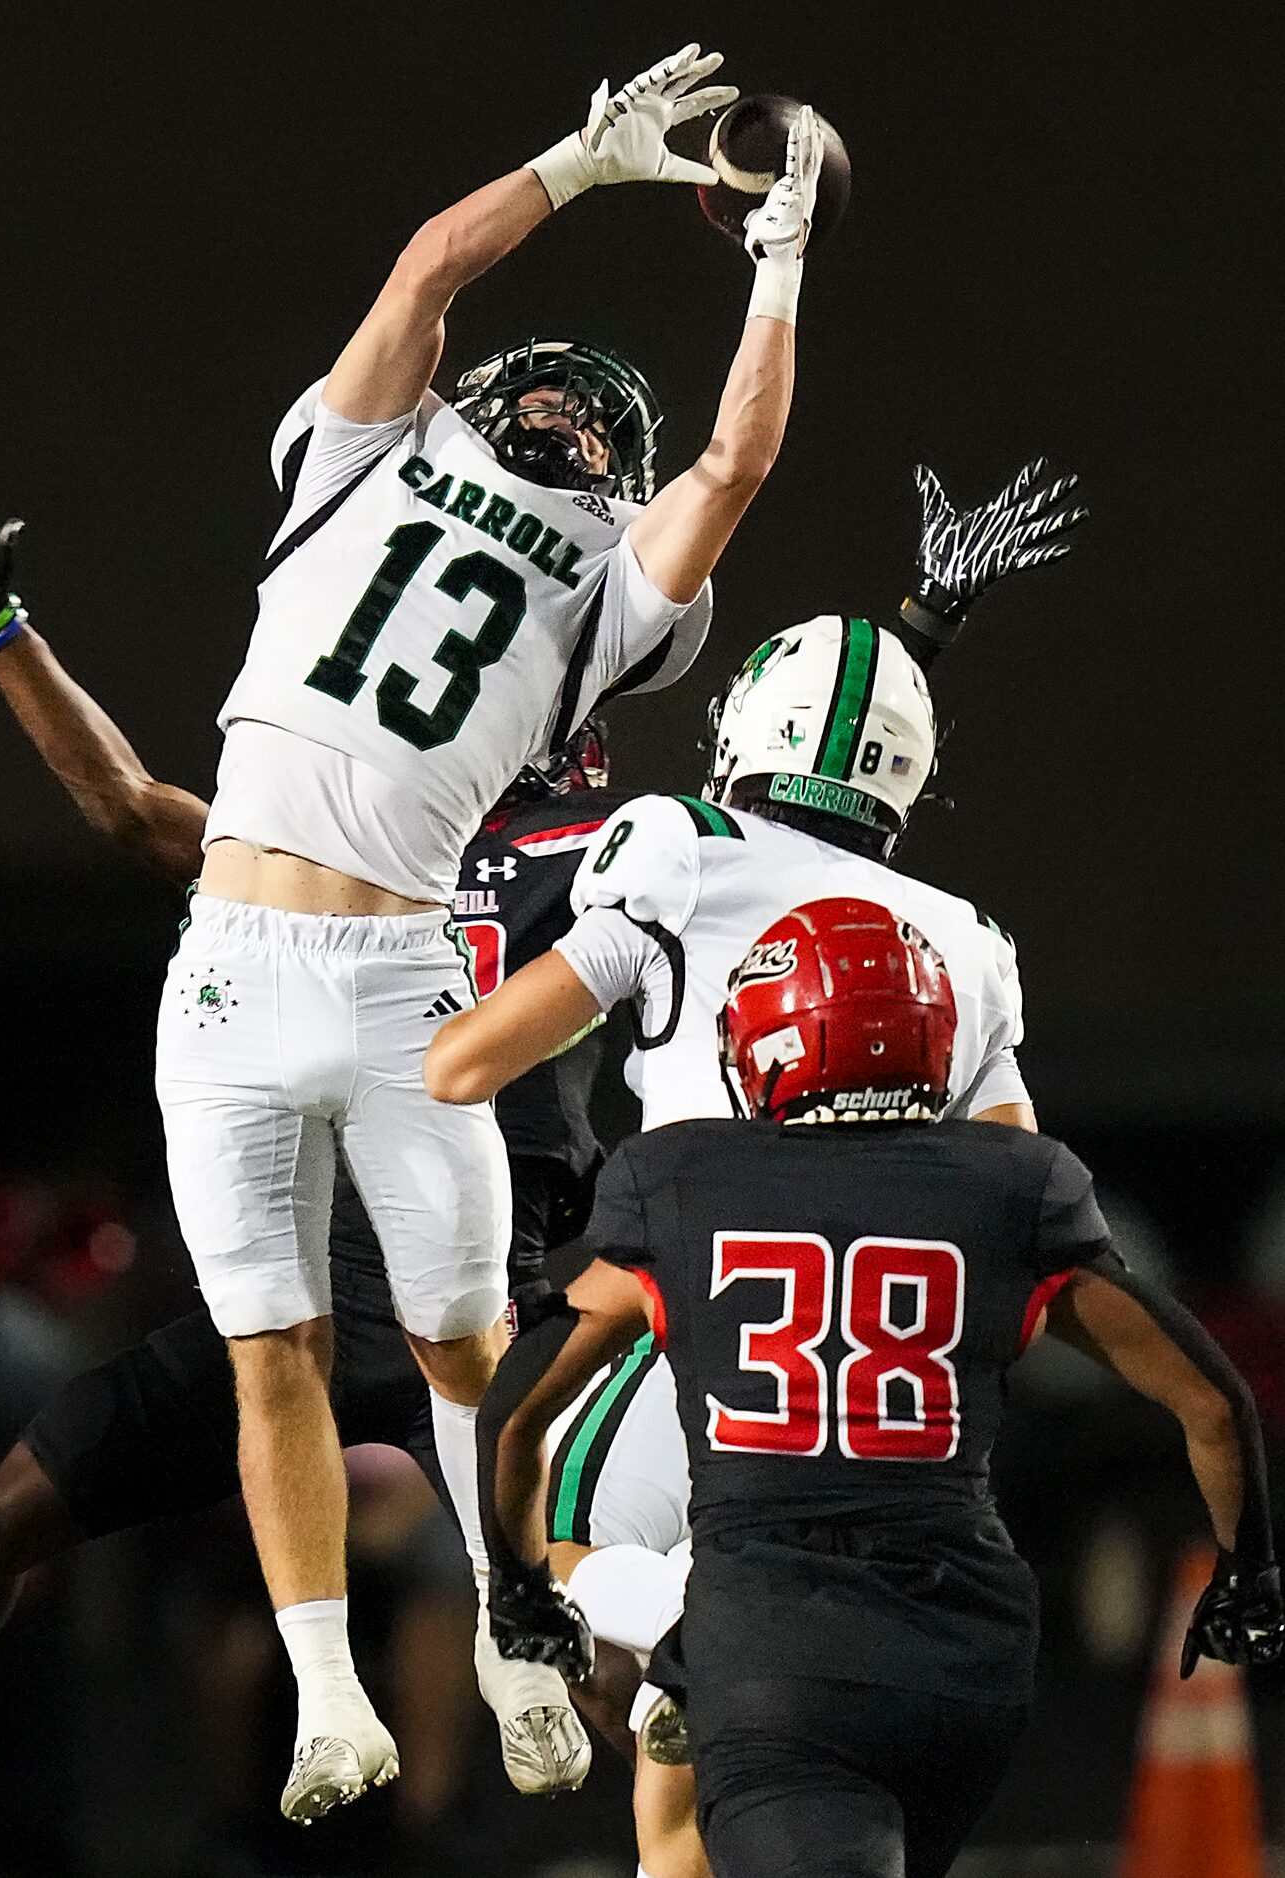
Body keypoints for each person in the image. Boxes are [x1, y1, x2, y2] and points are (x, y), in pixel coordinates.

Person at [0, 45, 824, 1817]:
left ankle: (516, 1643)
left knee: (456, 1352)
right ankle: (330, 1695)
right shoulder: (393, 472)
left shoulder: (571, 598)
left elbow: (698, 433)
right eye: (576, 405)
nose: (583, 428)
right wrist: (634, 187)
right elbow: (455, 294)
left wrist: (711, 224)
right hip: (242, 953)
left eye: (610, 424)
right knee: (270, 1350)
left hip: (390, 974)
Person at [0, 564, 627, 1872]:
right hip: (298, 1322)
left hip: (474, 1320)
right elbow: (123, 803)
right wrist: (0, 627)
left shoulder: (622, 853)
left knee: (634, 1627)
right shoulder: (323, 852)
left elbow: (770, 853)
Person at [424, 455, 1086, 1872]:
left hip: (685, 1326)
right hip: (881, 1391)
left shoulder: (670, 844)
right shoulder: (960, 938)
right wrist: (920, 626)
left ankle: (676, 1626)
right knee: (719, 1781)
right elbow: (1018, 1183)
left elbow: (468, 1058)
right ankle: (687, 1661)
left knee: (516, 1536)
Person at [476, 900, 1285, 1878]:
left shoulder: (686, 1176)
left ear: (766, 1038)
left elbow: (522, 1397)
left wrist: (520, 1585)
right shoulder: (1009, 1186)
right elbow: (1208, 1397)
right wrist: (1249, 1572)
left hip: (773, 1650)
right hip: (965, 1659)